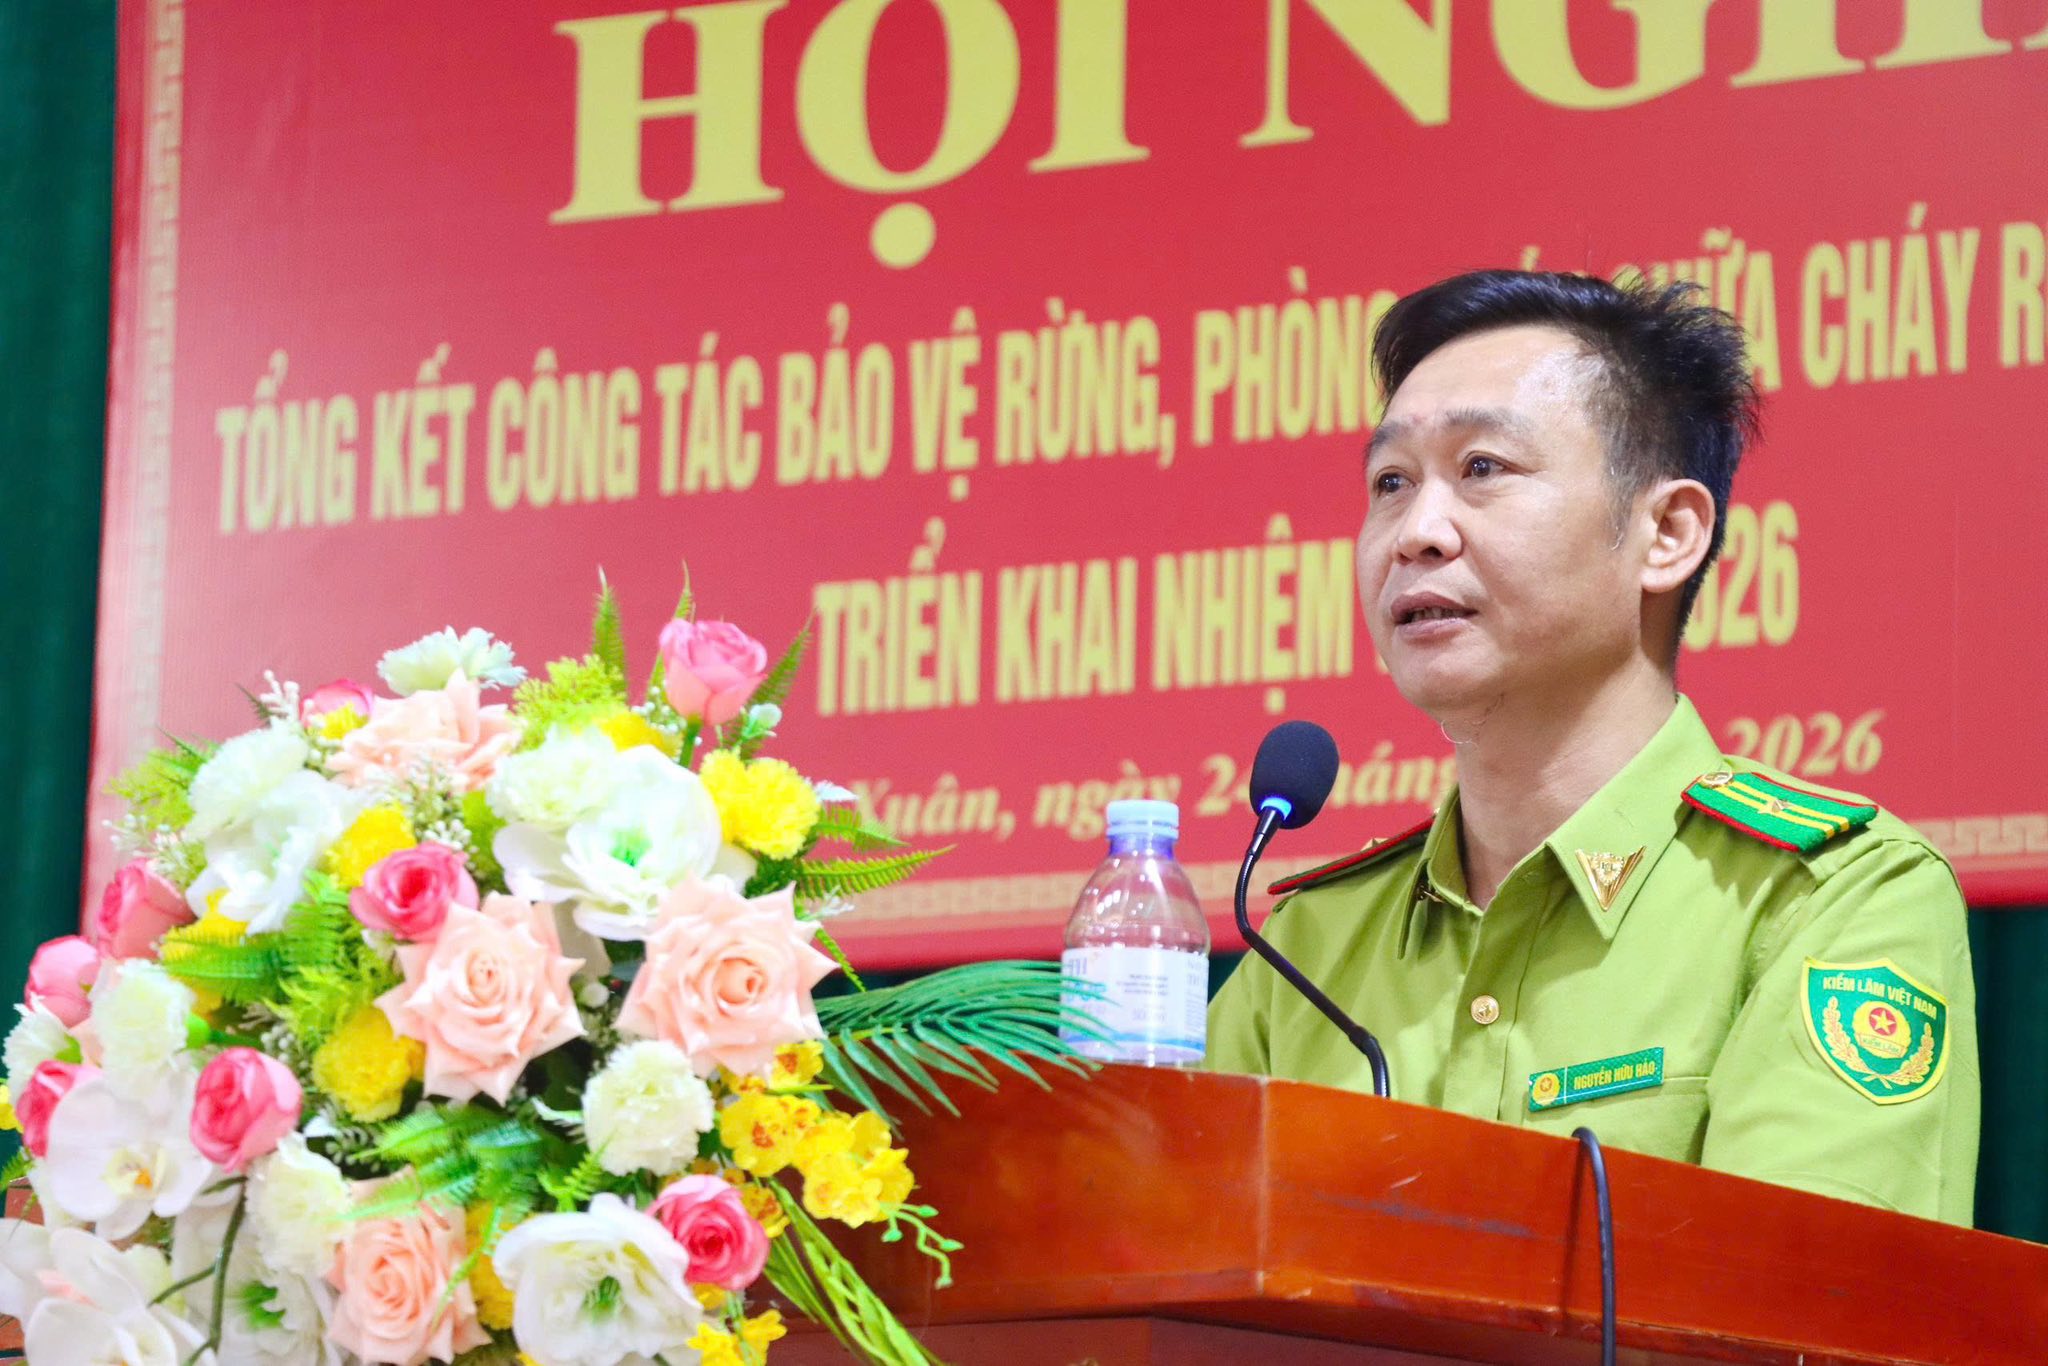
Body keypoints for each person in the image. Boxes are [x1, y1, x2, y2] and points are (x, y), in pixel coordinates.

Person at [1205, 270, 1978, 1224]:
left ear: (1667, 534)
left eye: (1482, 468)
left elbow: (1803, 1292)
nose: (1416, 533)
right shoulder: (1307, 947)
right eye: (1391, 483)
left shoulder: (1827, 903)